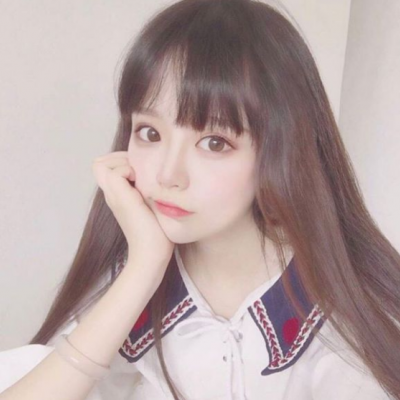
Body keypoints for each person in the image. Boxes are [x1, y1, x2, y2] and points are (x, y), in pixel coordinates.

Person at [0, 0, 399, 399]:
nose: (168, 175)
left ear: (280, 150)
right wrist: (144, 267)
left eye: (214, 142)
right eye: (150, 133)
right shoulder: (131, 283)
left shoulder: (341, 318)